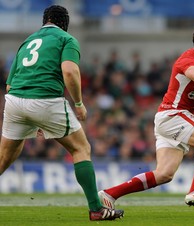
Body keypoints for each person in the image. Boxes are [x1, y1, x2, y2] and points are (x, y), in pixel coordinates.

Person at [98, 25, 194, 208]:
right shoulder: (187, 59)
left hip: (172, 120)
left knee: (164, 174)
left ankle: (109, 194)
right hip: (172, 115)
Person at [0, 5, 124, 221]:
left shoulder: (28, 41)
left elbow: (9, 85)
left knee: (4, 158)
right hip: (46, 100)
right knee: (81, 148)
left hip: (14, 101)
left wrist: (33, 118)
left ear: (45, 20)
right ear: (64, 22)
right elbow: (69, 70)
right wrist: (78, 102)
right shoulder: (66, 39)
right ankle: (96, 209)